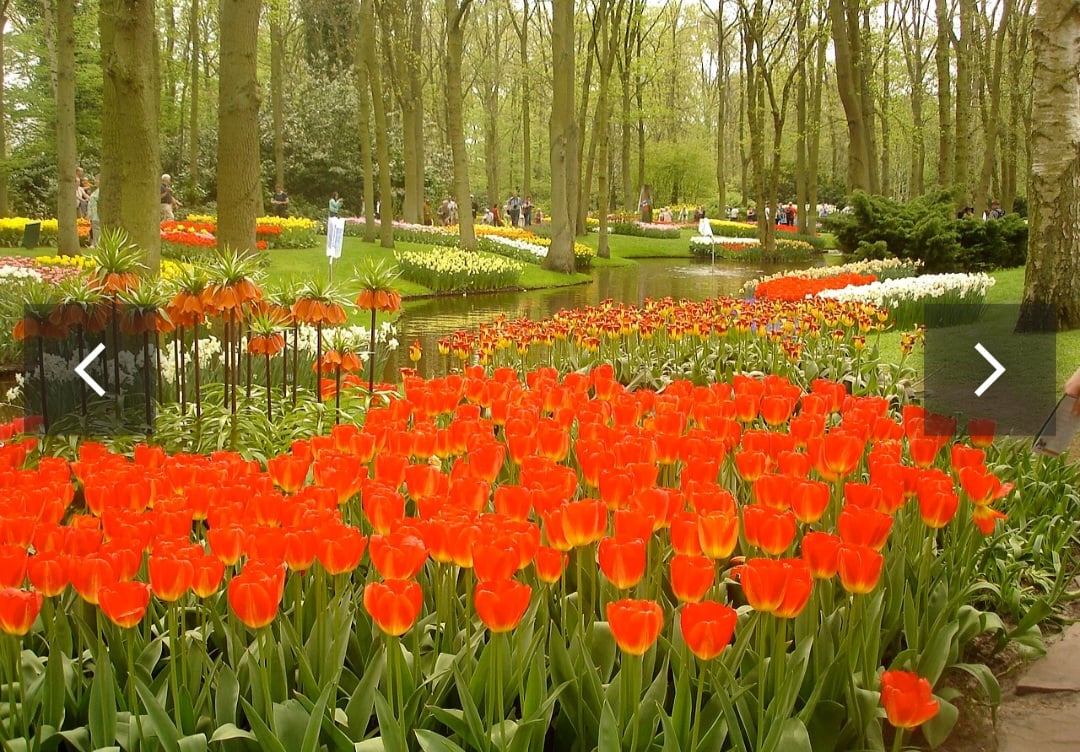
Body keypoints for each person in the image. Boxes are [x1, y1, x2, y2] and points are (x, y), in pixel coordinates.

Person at [87, 179, 100, 248]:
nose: (95, 182)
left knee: (96, 228)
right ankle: (94, 243)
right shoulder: (96, 191)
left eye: (97, 181)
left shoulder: (100, 191)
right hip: (93, 213)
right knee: (94, 228)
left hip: (97, 213)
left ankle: (96, 244)